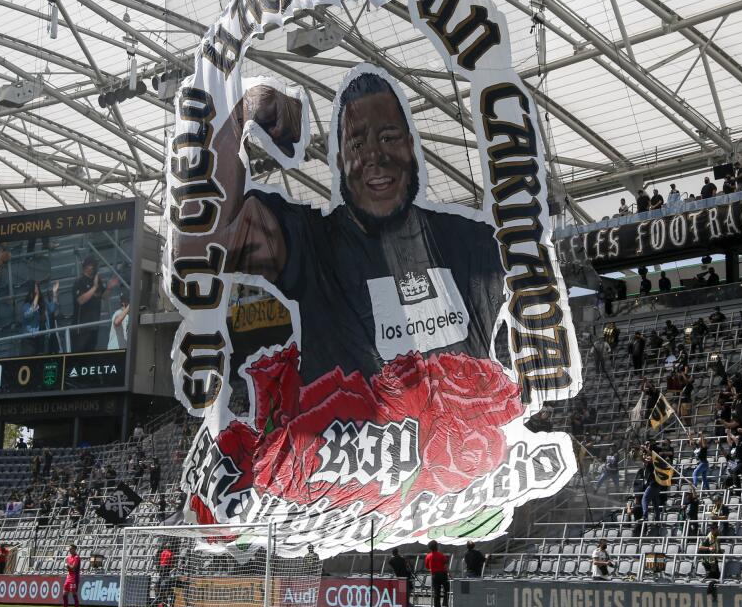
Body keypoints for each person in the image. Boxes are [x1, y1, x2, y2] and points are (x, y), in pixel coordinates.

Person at [176, 72, 506, 386]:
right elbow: (206, 237)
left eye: (388, 137)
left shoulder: (474, 244)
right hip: (347, 441)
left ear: (411, 148)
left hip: (462, 442)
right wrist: (244, 109)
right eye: (358, 145)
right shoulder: (312, 245)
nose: (375, 155)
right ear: (339, 163)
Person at [72, 258, 118, 354]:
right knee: (79, 355)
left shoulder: (97, 281)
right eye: (91, 265)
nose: (94, 267)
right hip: (81, 328)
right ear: (85, 267)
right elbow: (80, 300)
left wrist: (109, 288)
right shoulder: (79, 282)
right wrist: (95, 287)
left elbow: (104, 296)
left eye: (94, 265)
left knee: (91, 353)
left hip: (94, 325)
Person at [20, 280, 59, 356]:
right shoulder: (26, 305)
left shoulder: (43, 304)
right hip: (30, 340)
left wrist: (54, 293)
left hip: (42, 338)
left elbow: (52, 308)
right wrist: (36, 296)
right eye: (35, 288)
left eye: (38, 288)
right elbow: (29, 314)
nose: (37, 290)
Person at [424, 540, 450, 607]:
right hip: (442, 574)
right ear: (436, 546)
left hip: (434, 575)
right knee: (447, 589)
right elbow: (445, 564)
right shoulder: (441, 555)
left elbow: (427, 566)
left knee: (436, 592)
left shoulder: (428, 556)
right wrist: (449, 573)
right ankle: (445, 604)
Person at [59, 543, 81, 607]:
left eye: (71, 548)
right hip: (68, 578)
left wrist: (67, 565)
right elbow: (69, 568)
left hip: (74, 578)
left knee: (74, 595)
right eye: (69, 548)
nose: (69, 549)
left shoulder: (77, 557)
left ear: (74, 549)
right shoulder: (68, 558)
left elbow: (73, 568)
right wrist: (67, 566)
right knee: (64, 594)